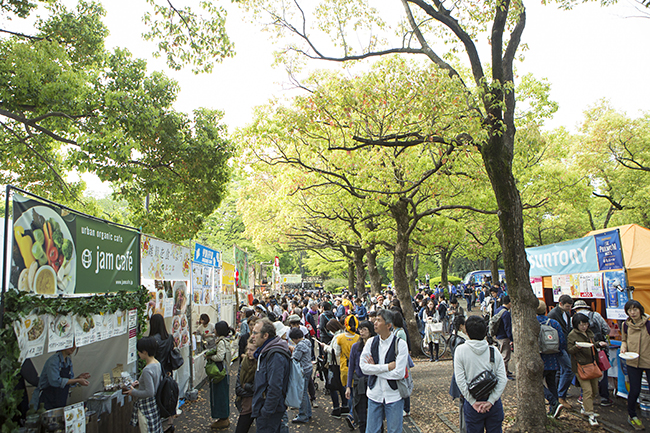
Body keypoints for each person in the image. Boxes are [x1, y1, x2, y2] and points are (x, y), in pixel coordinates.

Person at [454, 315, 507, 433]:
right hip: (493, 403)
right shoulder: (494, 351)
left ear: (467, 332)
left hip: (472, 402)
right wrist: (491, 401)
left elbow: (460, 380)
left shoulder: (460, 351)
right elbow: (503, 379)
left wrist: (473, 402)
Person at [360, 309, 409, 433]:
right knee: (372, 430)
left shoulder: (400, 344)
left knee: (394, 430)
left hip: (394, 395)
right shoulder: (371, 342)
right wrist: (386, 367)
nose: (374, 323)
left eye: (378, 320)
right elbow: (364, 367)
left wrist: (374, 368)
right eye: (375, 320)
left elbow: (399, 373)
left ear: (388, 325)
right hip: (374, 394)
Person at [251, 318, 291, 433]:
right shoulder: (265, 351)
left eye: (255, 333)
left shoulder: (275, 355)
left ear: (265, 336)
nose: (252, 336)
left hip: (270, 413)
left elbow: (275, 386)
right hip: (266, 410)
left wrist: (266, 411)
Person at [567, 313, 606, 427]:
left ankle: (585, 407)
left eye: (585, 324)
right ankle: (591, 414)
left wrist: (598, 344)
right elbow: (570, 350)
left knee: (594, 390)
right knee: (587, 390)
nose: (584, 326)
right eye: (581, 325)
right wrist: (577, 347)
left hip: (592, 364)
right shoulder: (572, 335)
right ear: (576, 325)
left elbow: (593, 345)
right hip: (580, 366)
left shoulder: (589, 333)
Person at [572, 300, 613, 407]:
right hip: (599, 349)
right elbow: (607, 330)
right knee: (602, 372)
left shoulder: (574, 319)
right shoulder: (596, 315)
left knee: (584, 372)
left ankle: (583, 396)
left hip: (583, 352)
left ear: (576, 309)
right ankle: (604, 397)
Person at [621, 300, 650, 431]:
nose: (632, 313)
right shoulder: (625, 325)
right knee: (635, 390)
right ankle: (632, 415)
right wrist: (623, 347)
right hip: (632, 361)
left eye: (635, 309)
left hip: (648, 360)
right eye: (629, 310)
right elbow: (624, 339)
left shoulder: (648, 324)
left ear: (640, 310)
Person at [125, 337, 163, 433]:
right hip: (154, 406)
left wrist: (133, 392)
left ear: (145, 352)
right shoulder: (157, 363)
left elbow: (150, 392)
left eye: (139, 351)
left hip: (146, 407)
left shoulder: (147, 369)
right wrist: (140, 382)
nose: (138, 353)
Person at [36, 344, 90, 410]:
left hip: (60, 400)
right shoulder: (53, 361)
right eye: (71, 344)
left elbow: (68, 382)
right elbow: (55, 381)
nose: (74, 347)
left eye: (75, 345)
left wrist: (78, 378)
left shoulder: (68, 361)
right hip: (47, 401)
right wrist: (77, 380)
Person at [536, 300, 565, 419]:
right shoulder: (554, 323)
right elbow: (562, 341)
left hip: (539, 358)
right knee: (552, 383)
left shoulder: (533, 323)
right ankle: (554, 410)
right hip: (553, 358)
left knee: (537, 384)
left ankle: (554, 403)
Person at [346, 320, 375, 433]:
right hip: (360, 382)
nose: (361, 332)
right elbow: (351, 366)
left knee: (374, 413)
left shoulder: (375, 346)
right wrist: (348, 386)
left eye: (364, 330)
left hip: (373, 381)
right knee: (361, 413)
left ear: (370, 331)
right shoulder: (356, 346)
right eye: (360, 329)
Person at [548, 295, 574, 408]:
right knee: (568, 369)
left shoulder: (566, 313)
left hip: (565, 345)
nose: (569, 309)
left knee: (562, 370)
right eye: (567, 306)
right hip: (558, 346)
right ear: (561, 304)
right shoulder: (553, 314)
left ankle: (560, 393)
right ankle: (561, 395)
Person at [207, 321, 232, 429]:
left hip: (221, 373)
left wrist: (210, 357)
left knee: (220, 395)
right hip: (225, 372)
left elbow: (220, 357)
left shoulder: (221, 342)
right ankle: (224, 417)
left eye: (215, 329)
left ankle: (223, 418)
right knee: (222, 395)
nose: (214, 331)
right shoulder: (225, 341)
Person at [448, 315, 469, 433]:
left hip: (457, 375)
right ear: (461, 326)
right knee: (464, 407)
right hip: (461, 376)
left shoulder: (454, 337)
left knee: (463, 406)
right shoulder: (461, 341)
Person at [290, 328, 313, 424]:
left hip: (302, 370)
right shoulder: (307, 342)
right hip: (308, 368)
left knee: (301, 393)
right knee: (304, 392)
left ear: (295, 339)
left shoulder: (299, 346)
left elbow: (295, 358)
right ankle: (307, 412)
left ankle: (303, 415)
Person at [334, 315, 361, 400]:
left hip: (344, 367)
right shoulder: (359, 338)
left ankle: (350, 410)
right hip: (357, 368)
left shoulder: (340, 338)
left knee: (348, 392)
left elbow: (337, 353)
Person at [234, 339, 257, 433]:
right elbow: (238, 388)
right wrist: (251, 391)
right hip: (246, 405)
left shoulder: (262, 364)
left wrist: (246, 386)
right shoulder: (244, 363)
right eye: (247, 349)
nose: (248, 353)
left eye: (251, 350)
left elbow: (259, 388)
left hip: (258, 404)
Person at [493, 296, 514, 380]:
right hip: (504, 337)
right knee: (505, 356)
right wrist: (511, 338)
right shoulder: (506, 313)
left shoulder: (497, 310)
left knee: (502, 354)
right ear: (509, 303)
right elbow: (507, 327)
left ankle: (506, 371)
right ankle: (504, 373)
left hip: (498, 335)